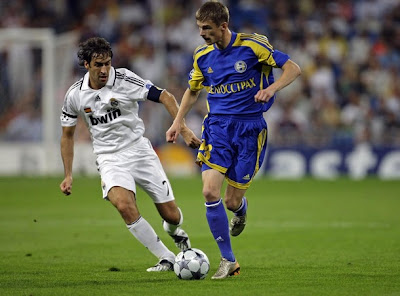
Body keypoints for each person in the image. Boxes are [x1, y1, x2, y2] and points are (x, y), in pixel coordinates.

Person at [166, 1, 301, 279]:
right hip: (217, 128)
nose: (202, 33)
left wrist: (272, 88)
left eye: (207, 28)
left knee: (230, 201)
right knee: (208, 192)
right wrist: (177, 121)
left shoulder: (253, 46)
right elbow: (192, 91)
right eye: (199, 28)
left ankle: (240, 210)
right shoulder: (202, 55)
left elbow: (293, 69)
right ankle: (229, 261)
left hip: (250, 130)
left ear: (223, 26)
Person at [59, 37, 201, 272]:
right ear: (86, 65)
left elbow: (165, 96)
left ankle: (175, 232)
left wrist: (182, 128)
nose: (104, 70)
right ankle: (167, 258)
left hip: (139, 151)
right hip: (109, 157)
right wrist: (68, 174)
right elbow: (67, 135)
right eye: (98, 65)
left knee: (172, 215)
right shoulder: (75, 95)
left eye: (107, 63)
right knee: (124, 205)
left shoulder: (124, 79)